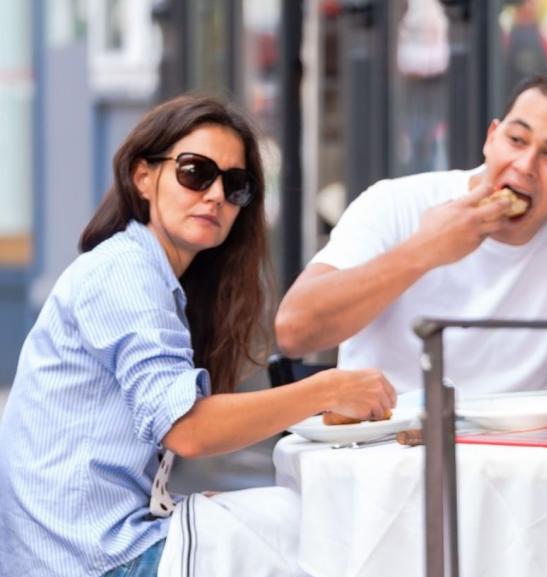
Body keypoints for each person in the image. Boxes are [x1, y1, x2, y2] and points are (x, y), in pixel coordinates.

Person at [0, 94, 396, 577]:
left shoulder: (153, 276)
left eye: (236, 185)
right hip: (91, 558)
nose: (215, 196)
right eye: (195, 172)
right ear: (143, 177)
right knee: (330, 532)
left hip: (91, 541)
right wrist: (329, 388)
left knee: (302, 523)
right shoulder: (125, 272)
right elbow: (187, 428)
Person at [276, 70, 547, 395]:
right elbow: (294, 331)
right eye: (516, 140)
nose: (525, 165)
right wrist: (423, 251)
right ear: (491, 138)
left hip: (521, 462)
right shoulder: (395, 203)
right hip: (386, 451)